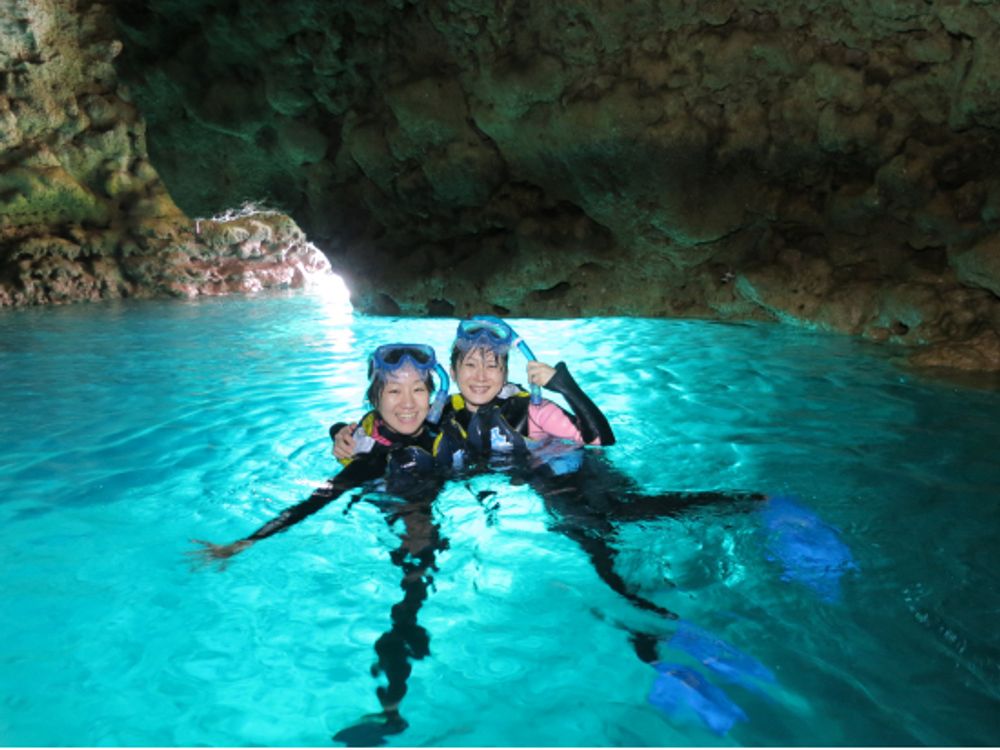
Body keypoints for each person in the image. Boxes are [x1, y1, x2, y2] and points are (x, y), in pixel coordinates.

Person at [189, 343, 456, 742]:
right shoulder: (372, 457)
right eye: (393, 391)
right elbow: (317, 499)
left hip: (420, 515)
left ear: (432, 394)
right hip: (413, 529)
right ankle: (391, 711)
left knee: (410, 603)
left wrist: (336, 430)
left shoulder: (445, 428)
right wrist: (248, 541)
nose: (407, 403)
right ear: (375, 397)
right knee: (409, 602)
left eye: (418, 389)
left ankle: (392, 705)